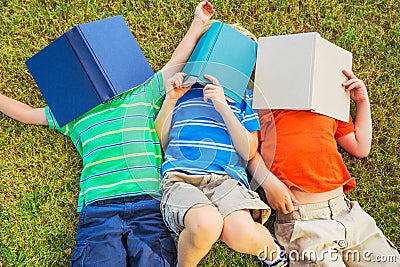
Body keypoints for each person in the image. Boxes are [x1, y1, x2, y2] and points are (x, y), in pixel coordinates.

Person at [0, 1, 215, 266]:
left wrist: (197, 23)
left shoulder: (141, 94)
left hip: (149, 204)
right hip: (99, 209)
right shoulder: (73, 112)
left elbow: (176, 61)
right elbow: (27, 113)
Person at [154, 22, 288, 267]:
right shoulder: (182, 91)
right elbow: (162, 142)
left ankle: (273, 252)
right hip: (181, 178)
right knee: (206, 224)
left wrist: (224, 107)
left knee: (241, 233)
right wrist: (171, 101)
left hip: (228, 181)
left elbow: (248, 150)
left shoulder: (244, 100)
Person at [249, 69, 400, 266]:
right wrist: (269, 184)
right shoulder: (264, 107)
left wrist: (362, 102)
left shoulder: (328, 105)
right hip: (303, 221)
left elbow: (360, 147)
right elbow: (249, 152)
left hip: (347, 213)